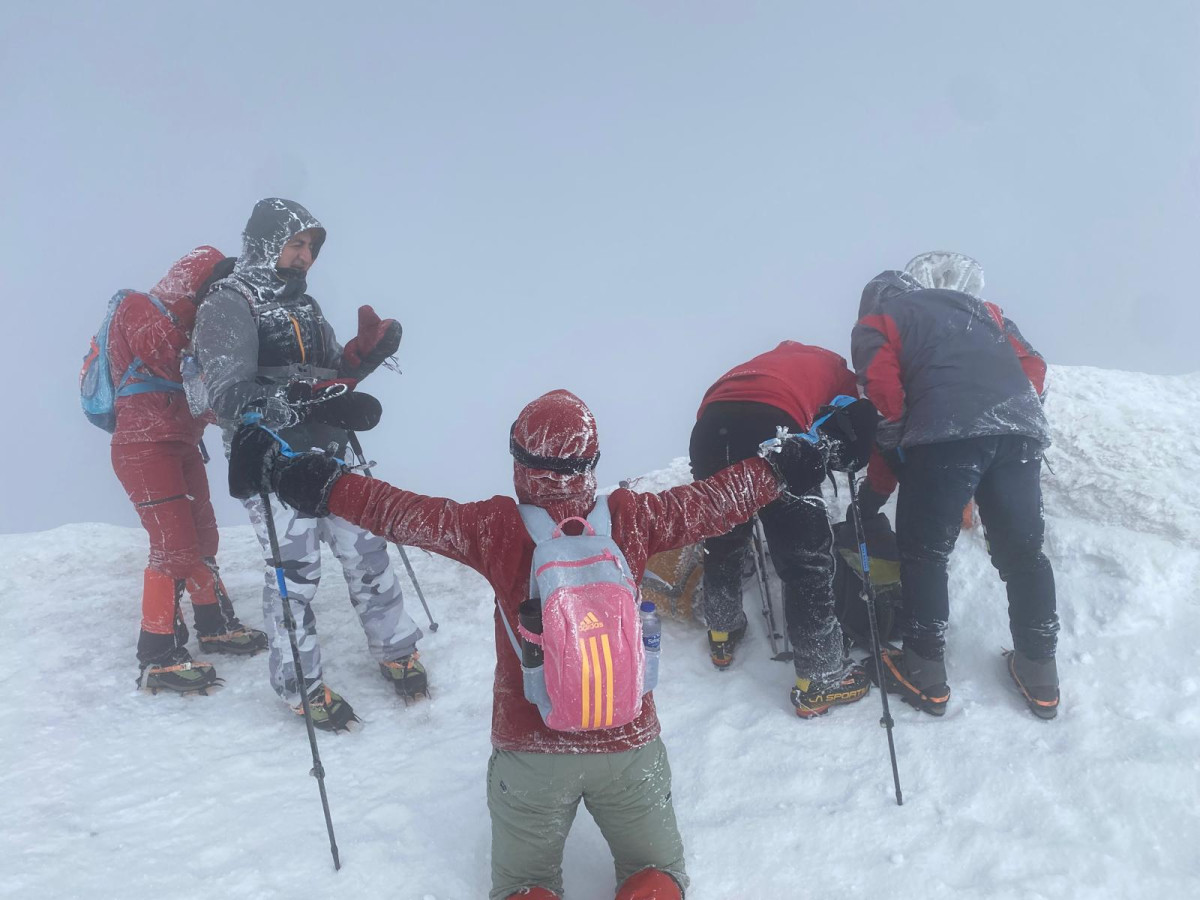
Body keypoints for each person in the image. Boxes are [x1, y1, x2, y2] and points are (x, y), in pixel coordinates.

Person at [227, 388, 835, 900]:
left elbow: (397, 511)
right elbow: (716, 500)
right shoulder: (635, 517)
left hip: (530, 752)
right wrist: (791, 460)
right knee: (658, 877)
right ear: (592, 460)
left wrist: (303, 477)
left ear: (518, 460)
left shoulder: (494, 528)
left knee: (525, 885)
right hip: (630, 749)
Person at [190, 198, 421, 730]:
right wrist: (303, 395)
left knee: (366, 547)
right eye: (296, 244)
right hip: (272, 455)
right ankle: (301, 684)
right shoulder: (228, 303)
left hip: (327, 446)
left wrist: (360, 359)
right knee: (296, 573)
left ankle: (396, 647)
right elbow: (226, 396)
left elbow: (328, 373)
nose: (305, 257)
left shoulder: (305, 305)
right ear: (266, 243)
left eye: (311, 247)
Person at [851, 251, 1059, 719]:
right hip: (1020, 433)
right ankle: (1040, 671)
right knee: (1024, 555)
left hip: (945, 436)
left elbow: (884, 396)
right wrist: (1008, 411)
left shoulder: (877, 321)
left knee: (925, 553)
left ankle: (925, 672)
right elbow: (1034, 368)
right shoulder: (981, 311)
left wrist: (900, 442)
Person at [690, 340, 880, 717]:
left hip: (710, 428)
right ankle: (821, 677)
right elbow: (851, 427)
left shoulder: (769, 361)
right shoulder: (841, 373)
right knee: (805, 559)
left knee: (724, 535)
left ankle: (722, 632)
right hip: (772, 425)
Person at [108, 246, 267, 693]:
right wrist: (214, 336)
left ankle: (215, 623)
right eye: (212, 285)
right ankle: (157, 652)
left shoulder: (201, 324)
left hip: (183, 444)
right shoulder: (136, 305)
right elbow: (161, 353)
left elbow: (210, 394)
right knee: (173, 545)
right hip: (143, 447)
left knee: (204, 538)